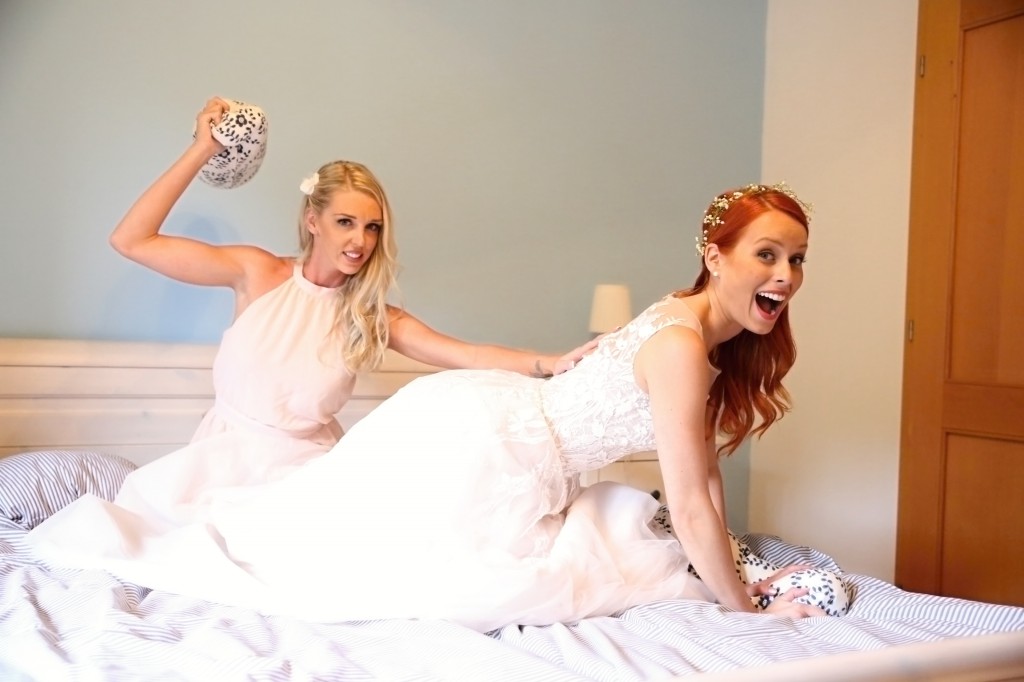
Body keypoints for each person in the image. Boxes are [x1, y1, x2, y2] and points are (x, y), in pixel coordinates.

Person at [30, 182, 843, 631]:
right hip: (489, 442)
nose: (785, 275)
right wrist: (742, 606)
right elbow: (693, 501)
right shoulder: (679, 345)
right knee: (351, 564)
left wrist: (546, 362)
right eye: (767, 254)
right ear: (715, 258)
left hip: (501, 429)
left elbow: (701, 487)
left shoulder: (683, 327)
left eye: (797, 260)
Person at [103, 96, 593, 526]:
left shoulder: (371, 315)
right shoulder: (258, 273)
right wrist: (203, 148)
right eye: (345, 222)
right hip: (220, 470)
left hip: (310, 479)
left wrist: (549, 363)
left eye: (372, 227)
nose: (360, 240)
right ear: (312, 221)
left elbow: (469, 355)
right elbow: (131, 240)